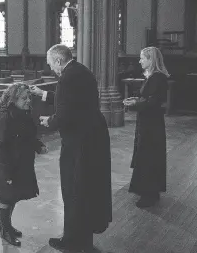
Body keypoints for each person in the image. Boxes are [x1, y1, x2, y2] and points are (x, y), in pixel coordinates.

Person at [30, 44, 112, 252]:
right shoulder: (80, 71)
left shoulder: (67, 77)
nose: (52, 70)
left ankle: (73, 241)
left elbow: (66, 113)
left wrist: (51, 121)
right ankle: (82, 239)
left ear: (59, 60)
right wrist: (43, 94)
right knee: (86, 188)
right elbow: (71, 101)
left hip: (79, 142)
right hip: (92, 137)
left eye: (51, 65)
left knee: (74, 189)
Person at [0, 82, 48, 247]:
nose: (28, 100)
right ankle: (5, 231)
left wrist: (38, 146)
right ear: (12, 99)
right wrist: (5, 174)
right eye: (24, 98)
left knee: (13, 196)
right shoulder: (2, 115)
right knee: (5, 198)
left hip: (21, 162)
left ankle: (5, 226)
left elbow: (28, 135)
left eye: (29, 97)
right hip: (7, 164)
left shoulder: (23, 112)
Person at [123, 46, 169, 208]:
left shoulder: (157, 78)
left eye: (143, 58)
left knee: (148, 154)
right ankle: (149, 190)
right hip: (149, 121)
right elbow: (148, 98)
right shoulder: (153, 77)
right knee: (146, 153)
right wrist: (136, 99)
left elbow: (154, 102)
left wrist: (136, 103)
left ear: (151, 60)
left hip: (151, 123)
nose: (140, 60)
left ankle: (149, 194)